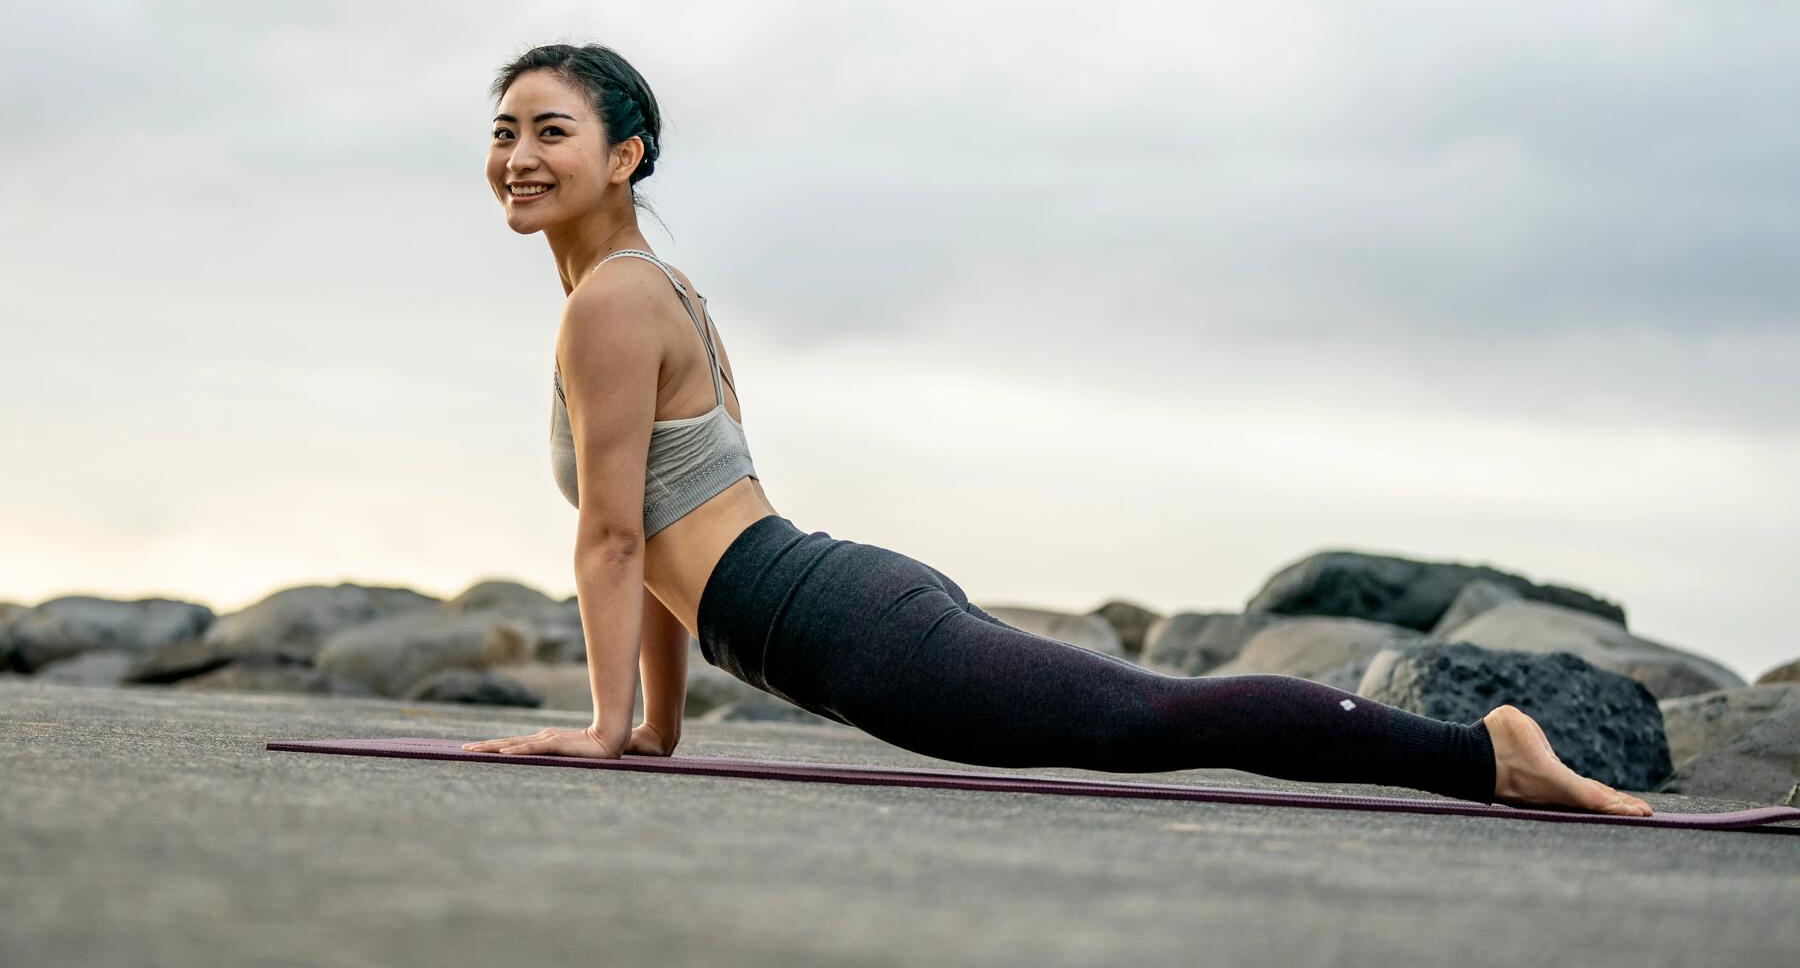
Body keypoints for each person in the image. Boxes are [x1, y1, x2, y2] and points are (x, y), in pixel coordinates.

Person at [461, 42, 1653, 818]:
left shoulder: (613, 301)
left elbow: (616, 541)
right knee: (1144, 714)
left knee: (1152, 721)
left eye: (551, 131)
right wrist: (655, 731)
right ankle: (1480, 756)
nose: (519, 155)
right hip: (827, 605)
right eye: (507, 129)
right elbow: (655, 533)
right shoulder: (642, 290)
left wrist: (605, 733)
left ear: (626, 157)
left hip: (835, 623)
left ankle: (1483, 754)